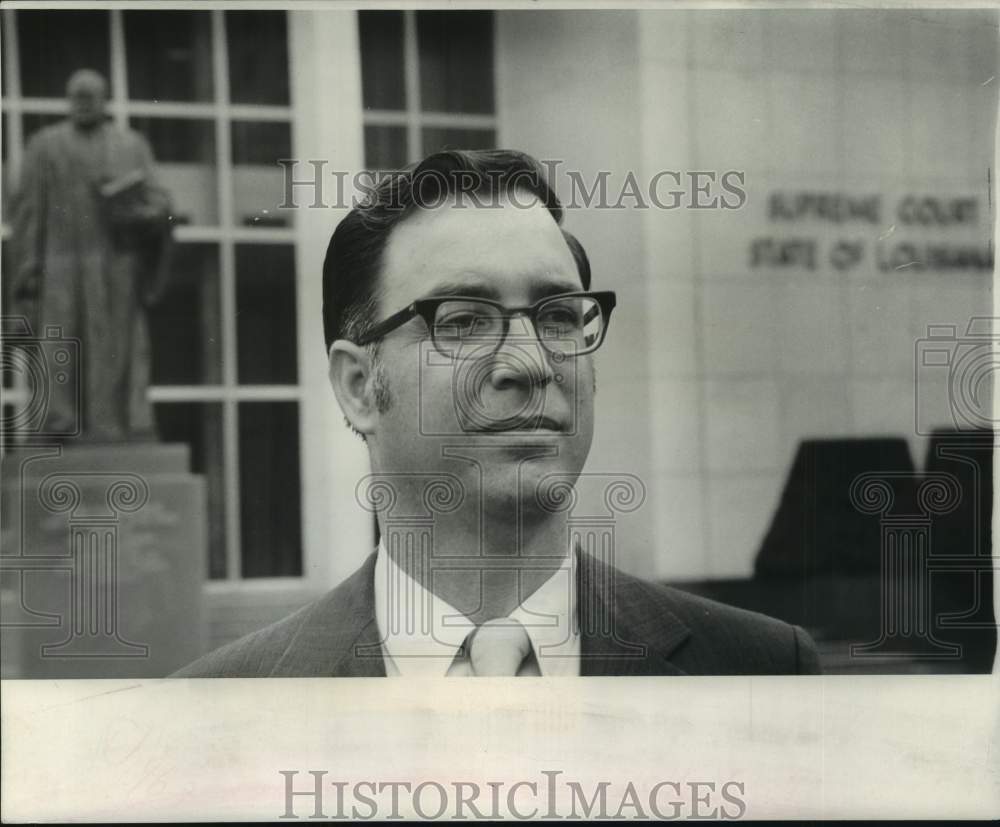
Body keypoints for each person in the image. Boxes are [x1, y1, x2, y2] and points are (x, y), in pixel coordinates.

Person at [175, 149, 822, 677]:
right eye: (462, 322)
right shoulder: (220, 709)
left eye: (560, 316)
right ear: (358, 385)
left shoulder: (760, 670)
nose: (530, 363)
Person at [10, 69, 173, 441]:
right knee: (58, 341)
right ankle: (58, 421)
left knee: (115, 345)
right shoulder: (44, 146)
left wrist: (143, 211)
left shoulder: (130, 145)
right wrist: (28, 268)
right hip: (60, 262)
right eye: (77, 95)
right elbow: (27, 211)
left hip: (116, 261)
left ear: (105, 100)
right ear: (68, 100)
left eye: (91, 96)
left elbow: (159, 200)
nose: (84, 102)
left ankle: (111, 423)